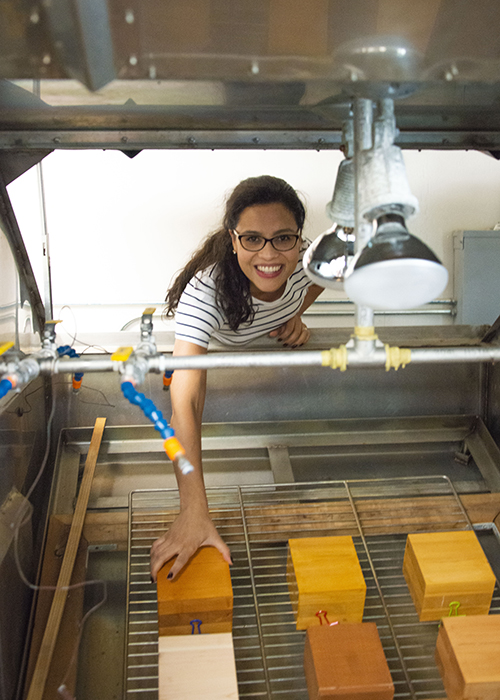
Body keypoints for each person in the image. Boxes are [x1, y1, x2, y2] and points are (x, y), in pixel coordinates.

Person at [150, 175, 324, 581]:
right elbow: (185, 403)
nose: (269, 254)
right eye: (252, 239)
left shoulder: (314, 260)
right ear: (233, 240)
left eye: (283, 239)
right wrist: (194, 512)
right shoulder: (205, 292)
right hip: (217, 350)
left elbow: (318, 280)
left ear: (299, 239)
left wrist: (295, 311)